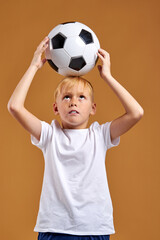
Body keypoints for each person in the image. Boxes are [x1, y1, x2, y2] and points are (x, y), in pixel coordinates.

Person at [7, 36, 144, 240]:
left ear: (93, 108)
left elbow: (136, 113)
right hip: (55, 228)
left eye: (81, 97)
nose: (74, 102)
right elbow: (14, 107)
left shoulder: (100, 135)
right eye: (67, 97)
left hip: (94, 228)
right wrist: (34, 65)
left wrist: (107, 76)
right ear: (56, 108)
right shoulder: (49, 135)